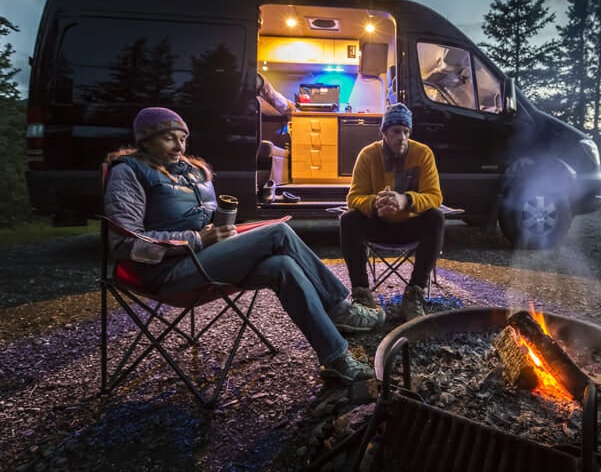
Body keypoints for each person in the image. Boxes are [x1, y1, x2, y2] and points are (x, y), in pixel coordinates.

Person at [104, 107, 385, 385]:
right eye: (169, 138)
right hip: (167, 271)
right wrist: (200, 239)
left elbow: (203, 219)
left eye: (183, 138)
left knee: (282, 266)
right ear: (145, 140)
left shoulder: (192, 172)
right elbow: (125, 243)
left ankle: (335, 358)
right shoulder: (129, 172)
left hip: (208, 259)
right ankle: (340, 309)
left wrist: (222, 227)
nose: (179, 146)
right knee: (279, 233)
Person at [340, 103, 444, 321]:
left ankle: (414, 294)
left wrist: (405, 200)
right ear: (384, 133)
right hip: (379, 224)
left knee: (436, 218)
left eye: (406, 132)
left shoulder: (423, 153)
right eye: (396, 131)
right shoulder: (368, 155)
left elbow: (435, 196)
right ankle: (361, 294)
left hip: (410, 224)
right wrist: (377, 204)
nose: (402, 137)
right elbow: (354, 197)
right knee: (348, 219)